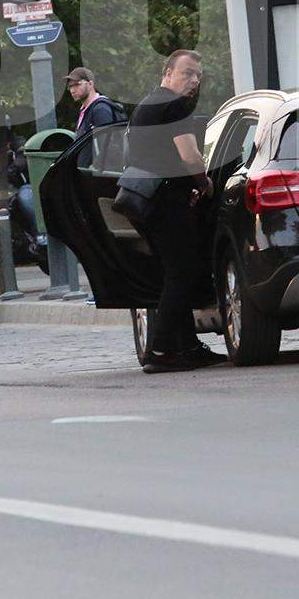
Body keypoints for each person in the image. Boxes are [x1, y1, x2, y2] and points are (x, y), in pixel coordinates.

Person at [126, 49, 225, 373]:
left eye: (198, 74)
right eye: (187, 73)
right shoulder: (172, 105)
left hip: (149, 202)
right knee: (183, 272)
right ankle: (160, 349)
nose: (194, 80)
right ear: (167, 72)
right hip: (166, 201)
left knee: (175, 273)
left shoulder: (149, 103)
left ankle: (187, 347)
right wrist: (205, 182)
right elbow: (190, 155)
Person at [67, 68, 122, 140]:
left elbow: (105, 145)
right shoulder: (86, 109)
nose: (72, 90)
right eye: (70, 86)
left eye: (77, 84)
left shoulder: (100, 109)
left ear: (90, 84)